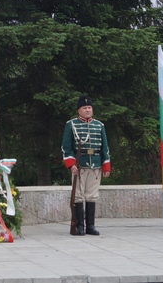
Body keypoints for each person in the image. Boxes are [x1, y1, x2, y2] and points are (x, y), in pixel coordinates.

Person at [61, 96, 110, 236]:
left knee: (92, 196)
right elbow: (66, 147)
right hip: (79, 164)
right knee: (78, 195)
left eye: (89, 108)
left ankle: (90, 226)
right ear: (79, 110)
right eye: (84, 108)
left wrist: (106, 166)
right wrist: (71, 164)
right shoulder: (71, 124)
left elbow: (105, 148)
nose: (88, 110)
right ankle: (79, 225)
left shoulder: (99, 125)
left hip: (95, 164)